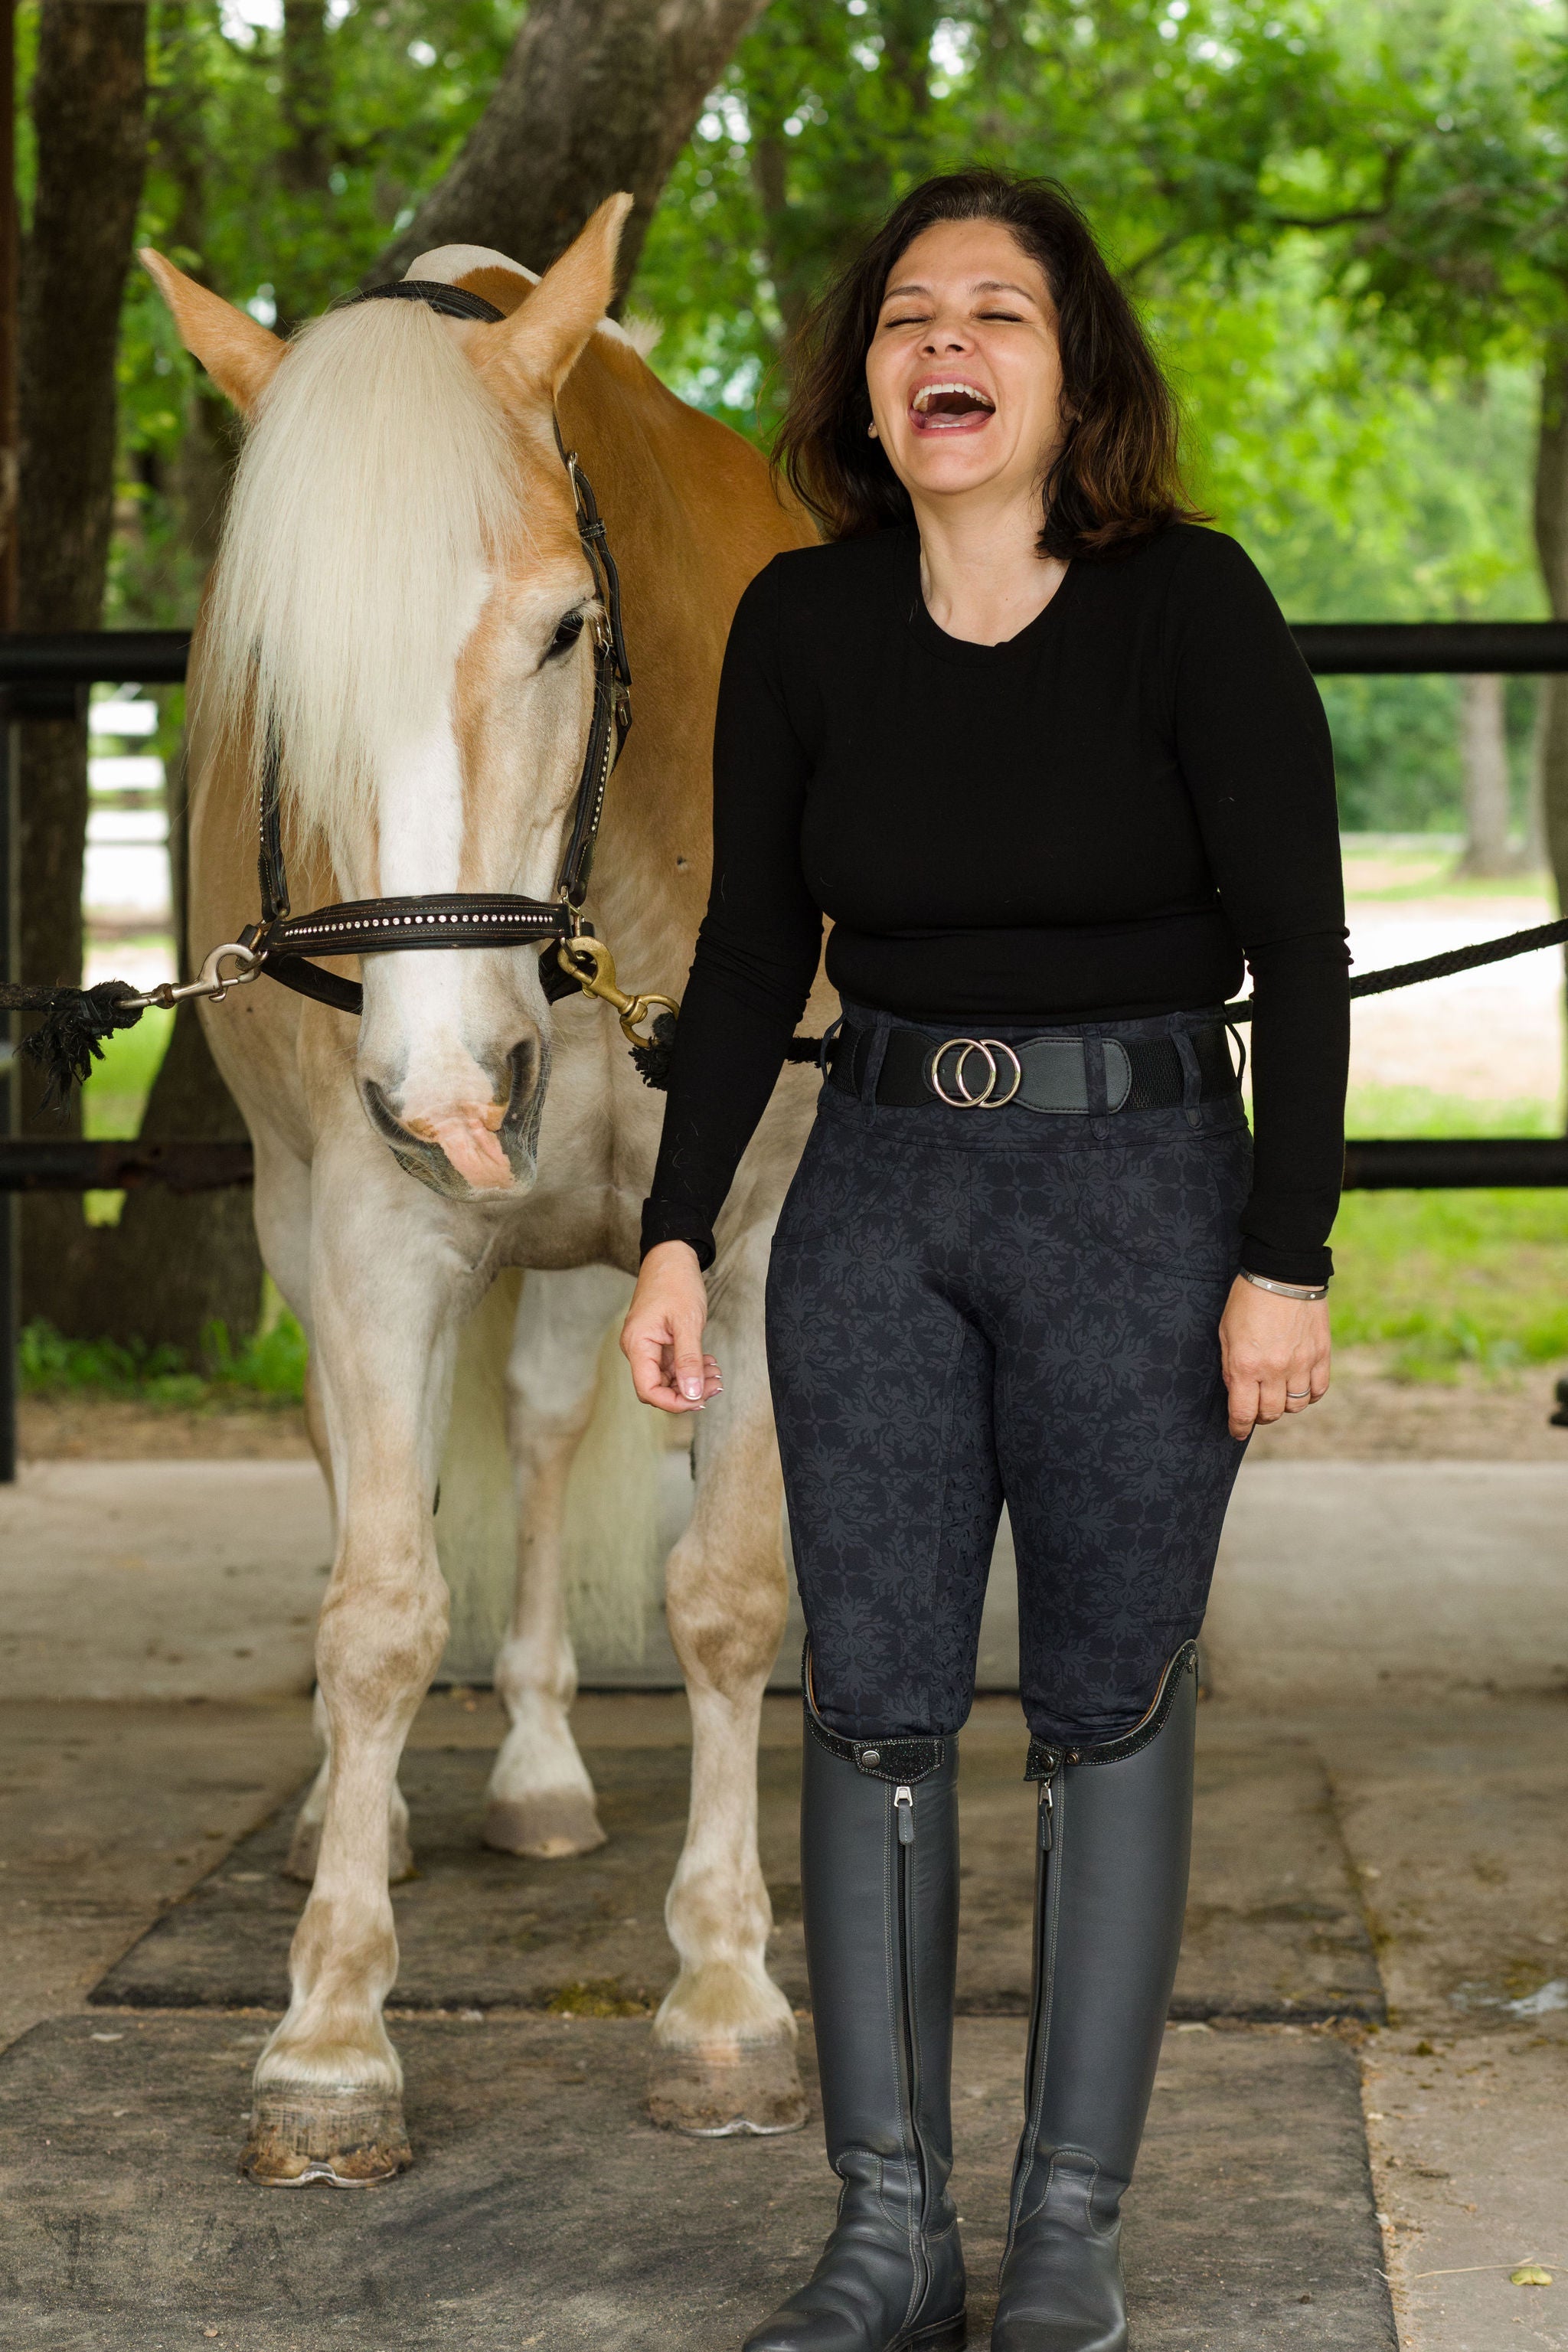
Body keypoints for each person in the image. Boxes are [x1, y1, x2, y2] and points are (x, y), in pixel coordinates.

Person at [621, 167, 1348, 2352]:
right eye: (909, 315)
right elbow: (756, 954)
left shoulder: (1193, 609)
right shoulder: (806, 626)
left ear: (1070, 371)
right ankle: (885, 2233)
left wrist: (1284, 1262)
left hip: (1142, 1203)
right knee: (876, 1701)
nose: (947, 343)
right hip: (876, 1213)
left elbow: (1302, 964)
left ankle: (1066, 2237)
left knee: (1112, 1700)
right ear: (868, 380)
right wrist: (674, 1230)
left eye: (999, 314)